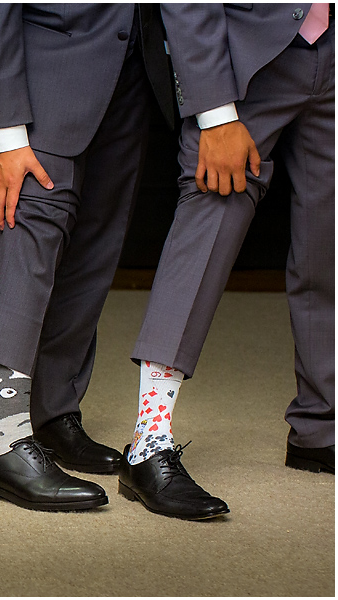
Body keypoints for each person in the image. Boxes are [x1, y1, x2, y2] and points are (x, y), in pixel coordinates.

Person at [120, 2, 334, 520]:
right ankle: (149, 441)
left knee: (328, 246)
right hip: (246, 60)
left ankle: (322, 426)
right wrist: (214, 108)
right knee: (207, 228)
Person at [0, 3, 176, 510]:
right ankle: (3, 440)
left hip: (134, 67)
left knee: (95, 251)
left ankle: (53, 411)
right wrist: (5, 129)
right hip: (46, 63)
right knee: (28, 231)